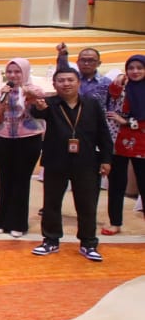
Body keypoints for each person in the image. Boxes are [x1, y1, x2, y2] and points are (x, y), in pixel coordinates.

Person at [31, 68, 112, 261]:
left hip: (87, 161)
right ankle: (50, 240)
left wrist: (106, 159)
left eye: (70, 80)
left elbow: (103, 133)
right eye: (61, 80)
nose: (66, 84)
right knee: (51, 203)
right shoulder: (49, 103)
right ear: (54, 84)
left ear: (78, 83)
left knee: (87, 204)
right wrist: (38, 107)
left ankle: (88, 243)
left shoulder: (92, 104)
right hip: (56, 161)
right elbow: (36, 112)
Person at [0, 58, 45, 239]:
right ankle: (1, 222)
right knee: (4, 179)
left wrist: (26, 93)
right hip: (4, 139)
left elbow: (42, 105)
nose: (13, 75)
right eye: (10, 72)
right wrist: (3, 101)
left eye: (17, 71)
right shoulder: (0, 93)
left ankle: (19, 223)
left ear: (25, 72)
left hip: (28, 140)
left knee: (21, 181)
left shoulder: (33, 90)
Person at [104, 55, 145, 236]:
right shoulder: (122, 86)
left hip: (142, 144)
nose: (135, 71)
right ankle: (115, 223)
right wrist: (119, 78)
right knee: (116, 185)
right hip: (118, 142)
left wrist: (127, 122)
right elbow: (111, 98)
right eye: (131, 68)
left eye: (140, 68)